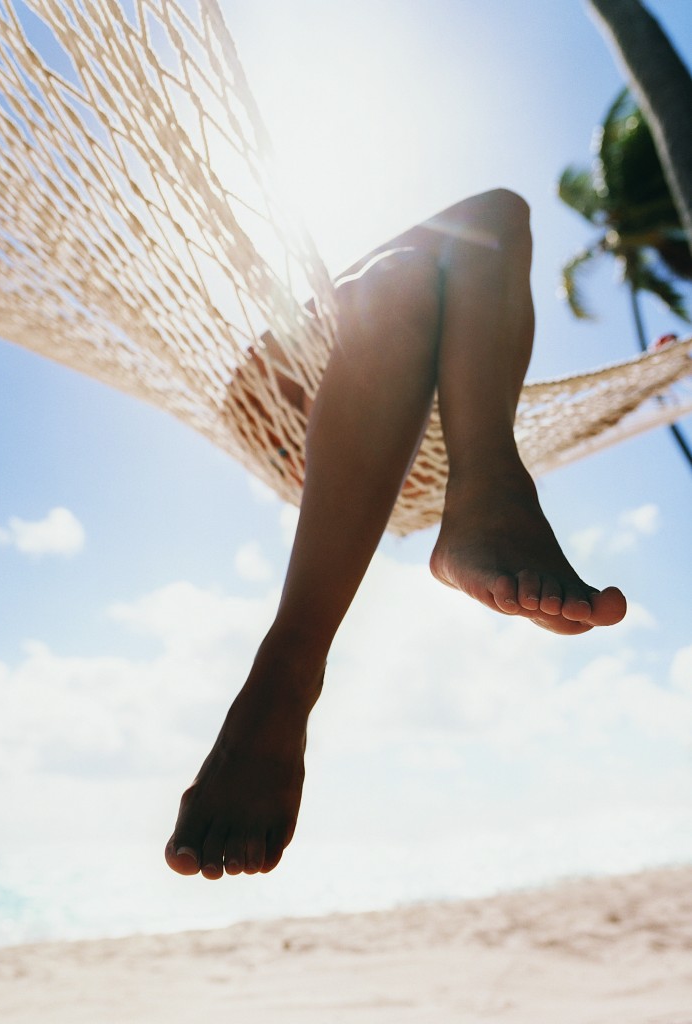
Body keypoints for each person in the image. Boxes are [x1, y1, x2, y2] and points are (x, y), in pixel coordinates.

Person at [164, 188, 628, 881]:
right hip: (284, 402)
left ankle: (292, 664)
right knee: (453, 244)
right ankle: (488, 487)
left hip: (403, 447)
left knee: (466, 237)